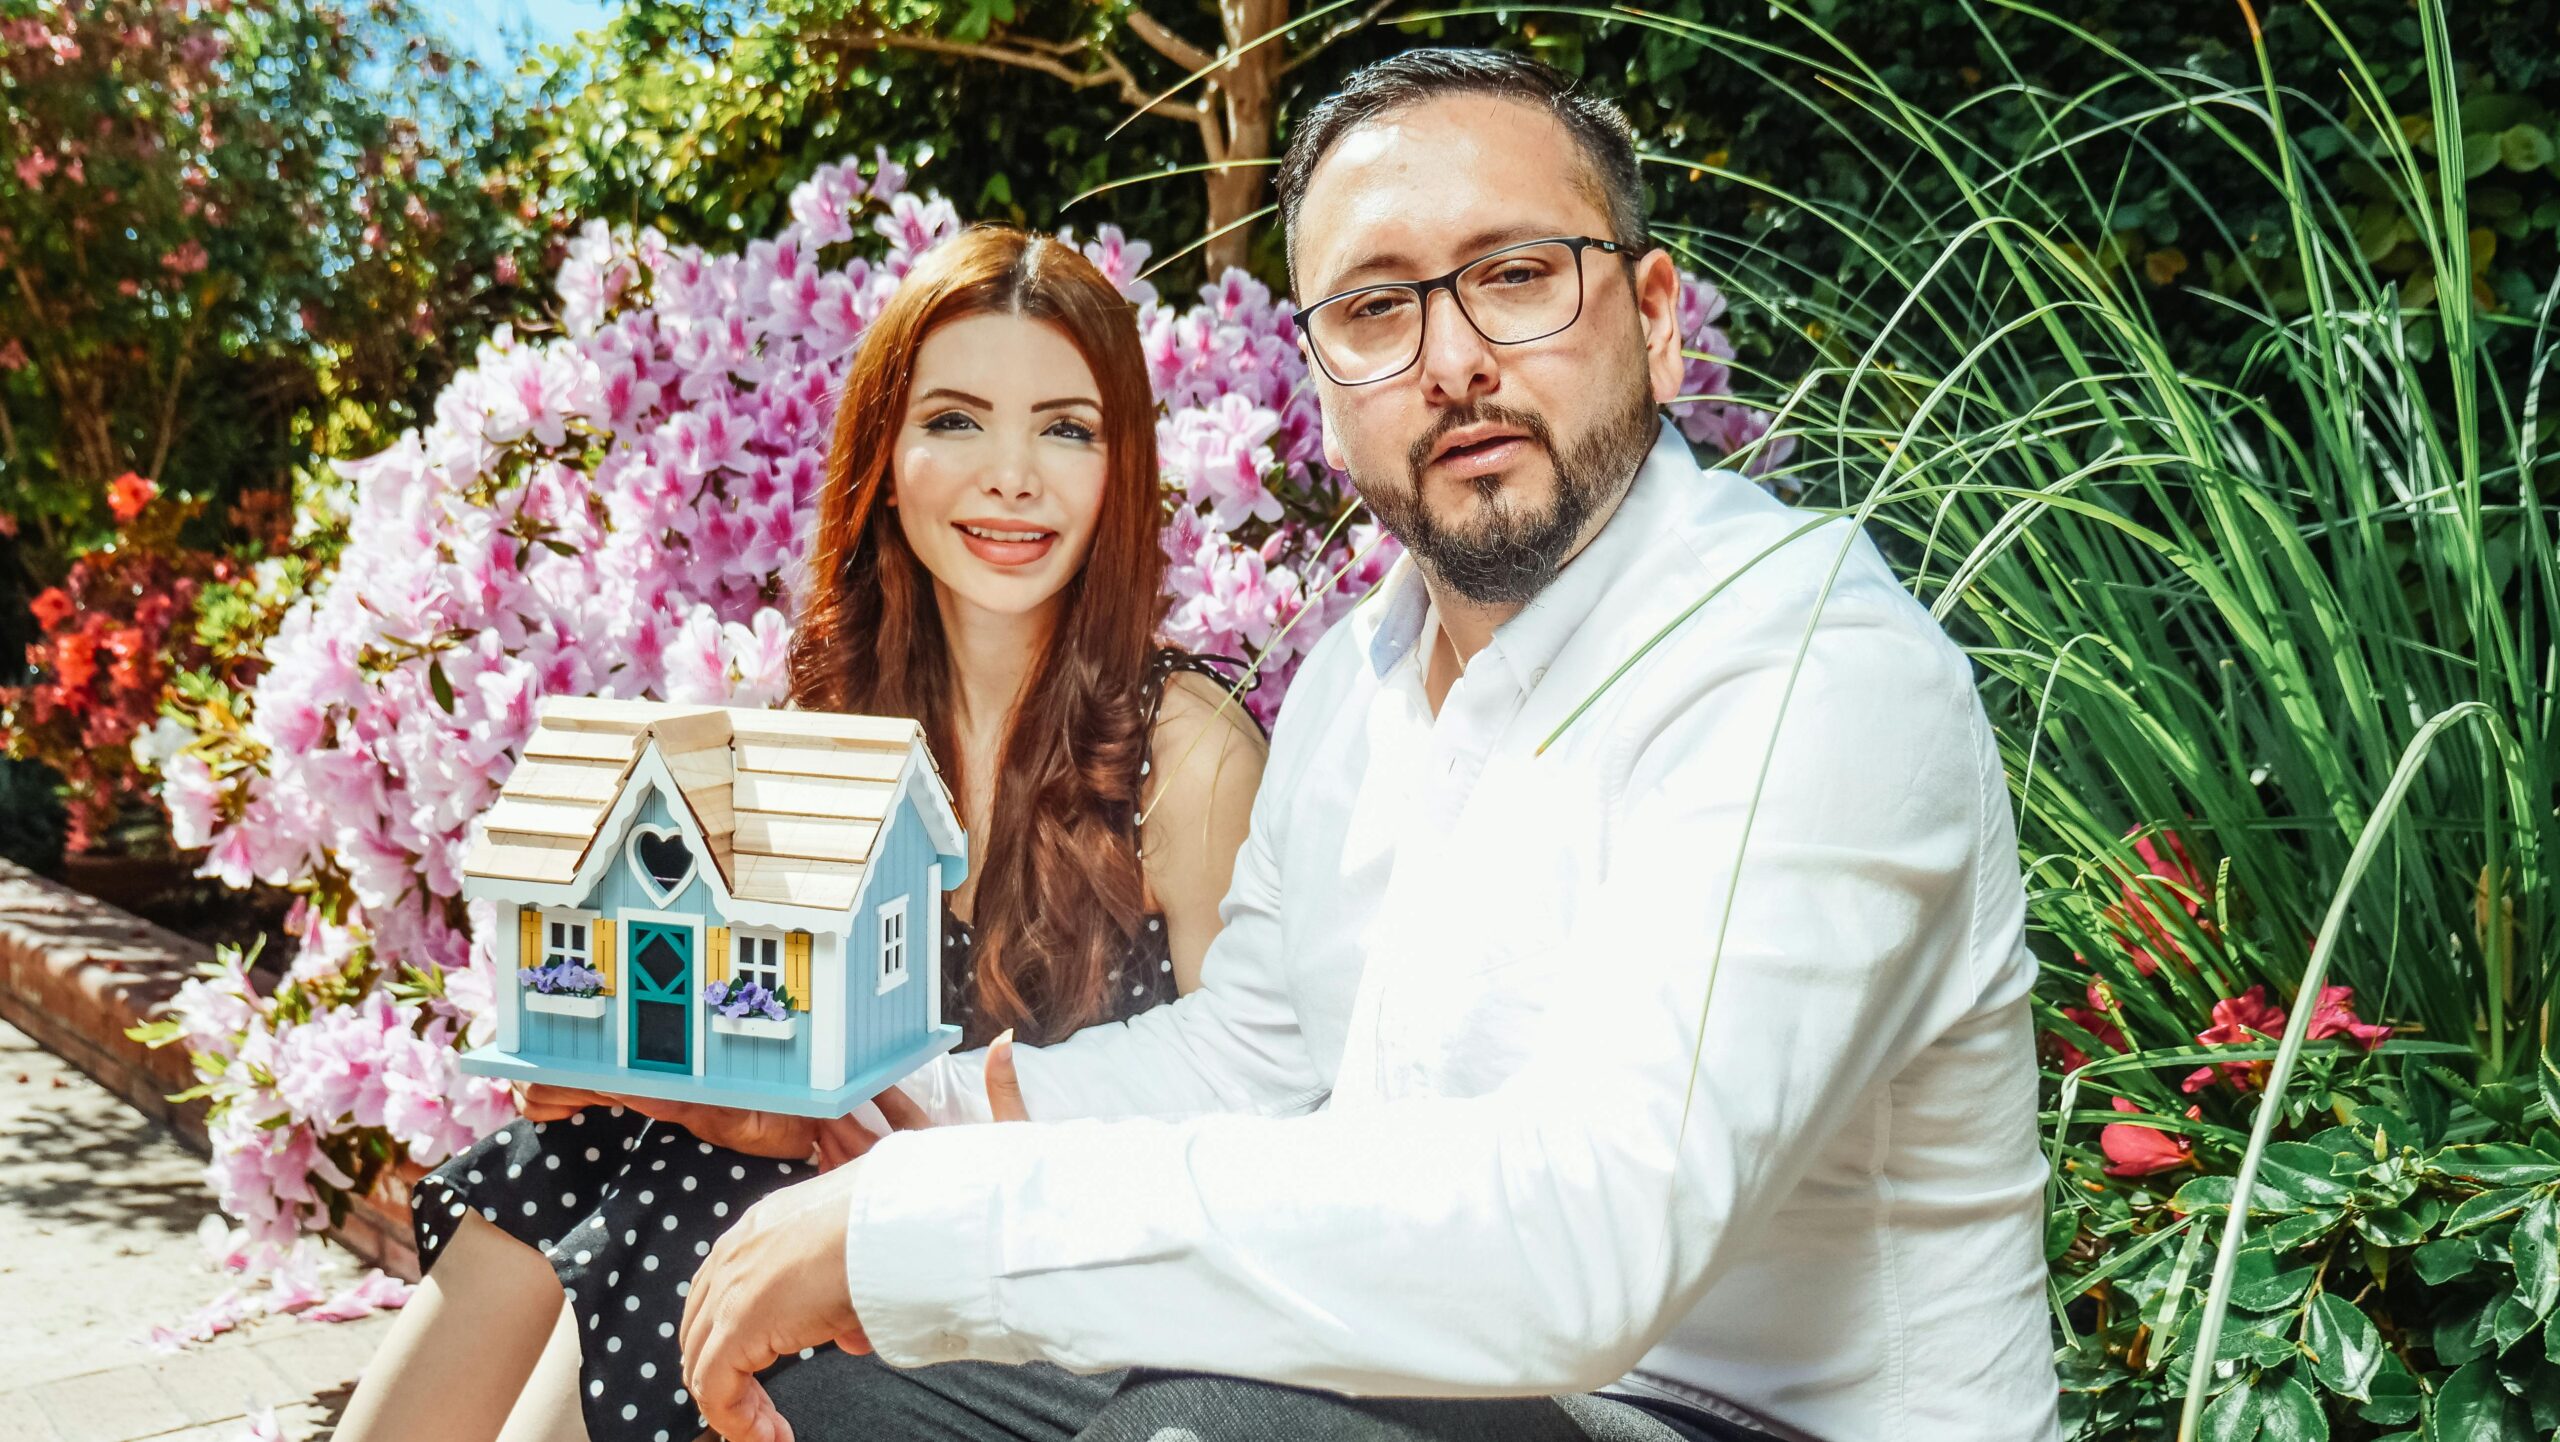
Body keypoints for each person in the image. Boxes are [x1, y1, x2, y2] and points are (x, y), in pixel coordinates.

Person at [679, 47, 2062, 1442]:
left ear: (1653, 319)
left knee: (1214, 1425)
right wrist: (876, 1113)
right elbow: (1255, 1059)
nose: (1453, 360)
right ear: (1327, 379)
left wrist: (938, 1226)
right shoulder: (1358, 681)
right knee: (852, 1386)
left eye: (1517, 275)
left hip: (1739, 1418)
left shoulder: (1804, 663)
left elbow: (1583, 1248)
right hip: (1454, 1393)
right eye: (1377, 306)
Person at [332, 226, 1269, 1442]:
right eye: (955, 420)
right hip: (821, 1214)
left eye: (1065, 427)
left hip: (1059, 1273)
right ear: (884, 456)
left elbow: (1258, 1118)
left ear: (1120, 466)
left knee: (707, 1186)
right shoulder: (835, 725)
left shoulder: (1183, 750)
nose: (1011, 474)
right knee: (600, 1148)